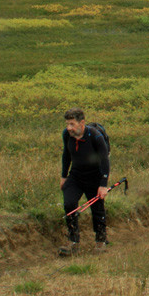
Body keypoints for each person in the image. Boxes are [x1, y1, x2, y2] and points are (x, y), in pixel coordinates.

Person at [59, 108, 110, 256]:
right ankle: (73, 240)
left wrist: (103, 185)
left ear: (82, 123)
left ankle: (100, 240)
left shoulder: (95, 136)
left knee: (97, 209)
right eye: (67, 124)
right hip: (75, 176)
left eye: (72, 124)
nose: (69, 128)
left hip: (95, 177)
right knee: (69, 204)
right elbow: (66, 155)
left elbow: (104, 160)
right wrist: (64, 177)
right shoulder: (66, 135)